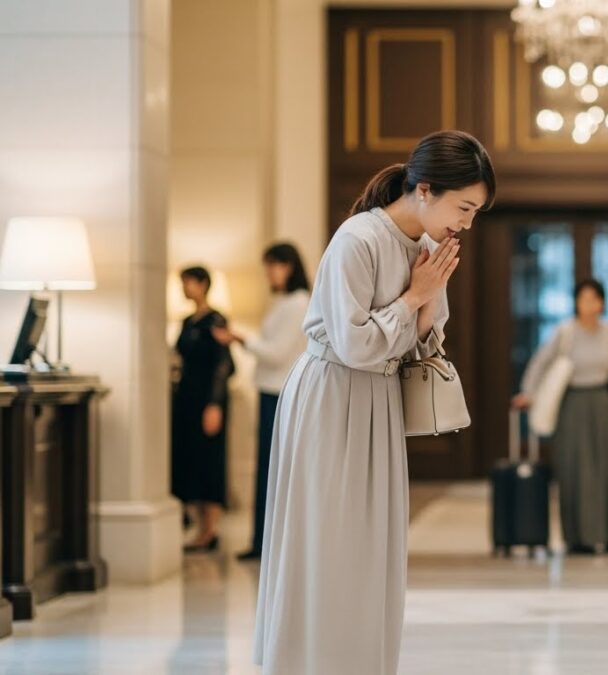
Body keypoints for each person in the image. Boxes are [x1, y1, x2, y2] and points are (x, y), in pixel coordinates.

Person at [253, 130, 495, 675]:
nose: (467, 223)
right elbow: (355, 343)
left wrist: (428, 308)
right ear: (425, 189)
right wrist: (413, 297)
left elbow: (425, 339)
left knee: (373, 545)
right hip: (330, 395)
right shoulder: (357, 239)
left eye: (476, 211)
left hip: (379, 401)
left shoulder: (430, 249)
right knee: (326, 542)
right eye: (464, 207)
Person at [513, 279, 608, 555]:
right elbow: (541, 362)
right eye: (584, 299)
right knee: (576, 469)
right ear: (576, 302)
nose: (589, 304)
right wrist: (528, 392)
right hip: (573, 403)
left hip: (602, 402)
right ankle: (577, 538)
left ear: (602, 302)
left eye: (595, 299)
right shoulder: (565, 331)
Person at [212, 242, 311, 561]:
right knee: (268, 468)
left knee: (274, 469)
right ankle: (263, 541)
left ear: (289, 266)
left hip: (281, 393)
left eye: (274, 265)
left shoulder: (298, 303)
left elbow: (277, 352)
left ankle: (268, 544)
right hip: (272, 391)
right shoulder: (284, 302)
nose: (269, 273)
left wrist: (240, 338)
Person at [172, 265, 236, 553]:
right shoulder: (186, 322)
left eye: (187, 283)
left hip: (208, 400)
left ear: (201, 284)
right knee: (189, 459)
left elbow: (223, 365)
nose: (184, 288)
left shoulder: (216, 320)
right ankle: (198, 526)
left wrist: (214, 404)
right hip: (186, 398)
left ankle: (210, 529)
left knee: (210, 459)